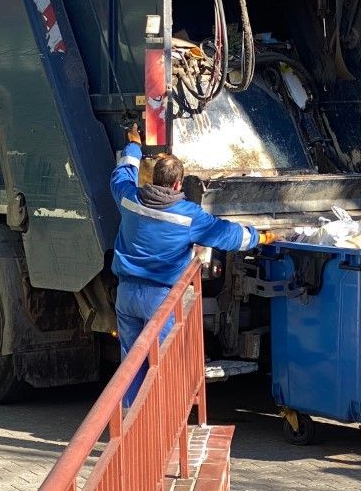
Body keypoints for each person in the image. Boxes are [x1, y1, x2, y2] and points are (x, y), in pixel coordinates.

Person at [110, 123, 269, 368]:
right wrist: (260, 237)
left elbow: (123, 173)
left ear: (154, 178)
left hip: (127, 294)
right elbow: (228, 236)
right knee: (161, 367)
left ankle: (133, 407)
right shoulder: (188, 216)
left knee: (130, 368)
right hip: (161, 299)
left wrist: (133, 145)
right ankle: (160, 408)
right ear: (178, 184)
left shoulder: (129, 199)